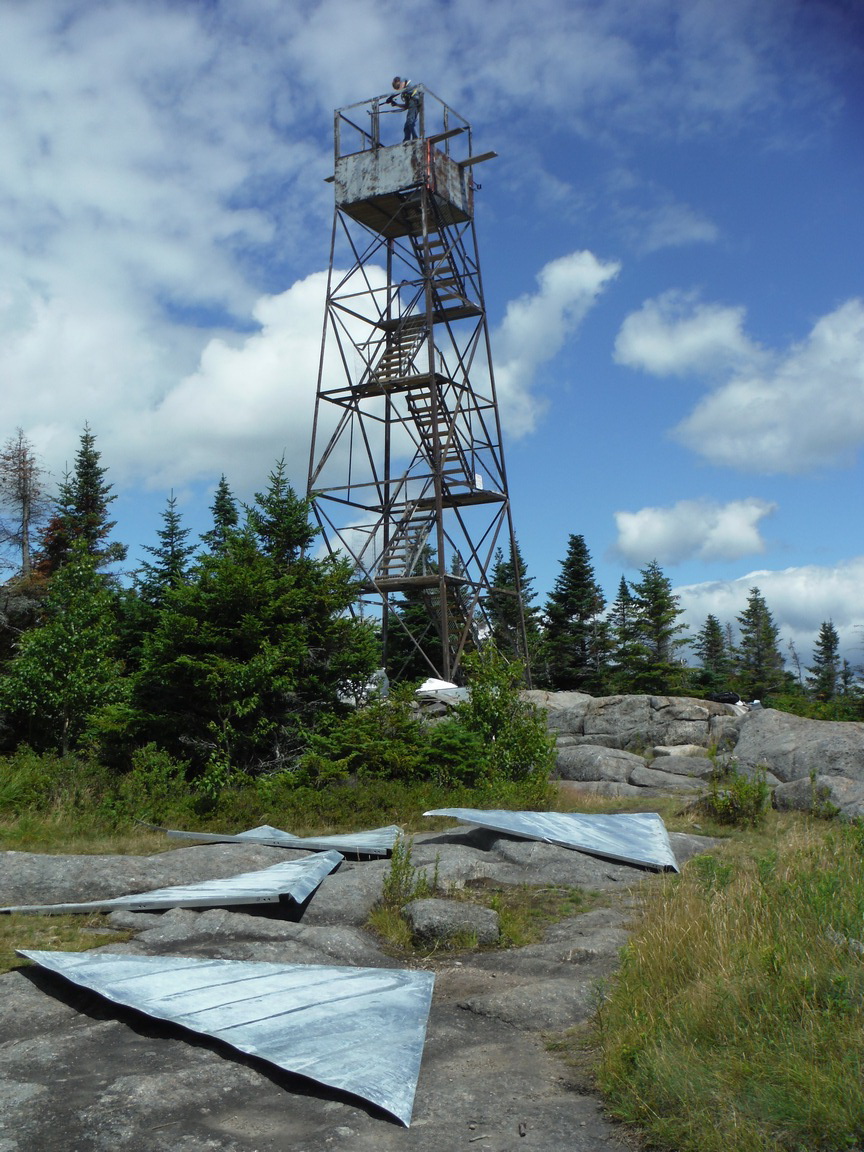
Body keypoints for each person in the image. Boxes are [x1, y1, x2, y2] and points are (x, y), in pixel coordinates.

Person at [387, 76, 422, 141]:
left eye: (397, 87)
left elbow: (401, 89)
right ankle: (406, 140)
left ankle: (415, 137)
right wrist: (396, 104)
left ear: (398, 81)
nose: (397, 89)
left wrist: (391, 97)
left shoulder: (404, 80)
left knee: (410, 120)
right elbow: (406, 106)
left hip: (415, 101)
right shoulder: (405, 93)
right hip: (412, 104)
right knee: (406, 126)